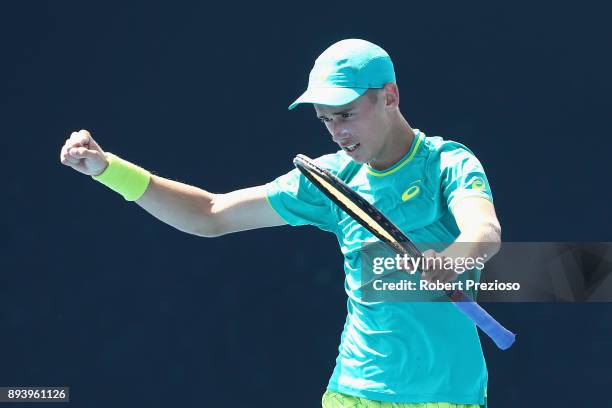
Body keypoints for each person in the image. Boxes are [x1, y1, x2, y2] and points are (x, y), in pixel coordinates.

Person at [59, 39, 501, 408]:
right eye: (325, 120)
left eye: (346, 114)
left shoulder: (447, 163)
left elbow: (484, 232)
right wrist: (108, 169)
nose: (337, 133)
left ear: (389, 96)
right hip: (355, 392)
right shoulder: (330, 181)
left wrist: (451, 258)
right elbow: (210, 214)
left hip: (449, 394)